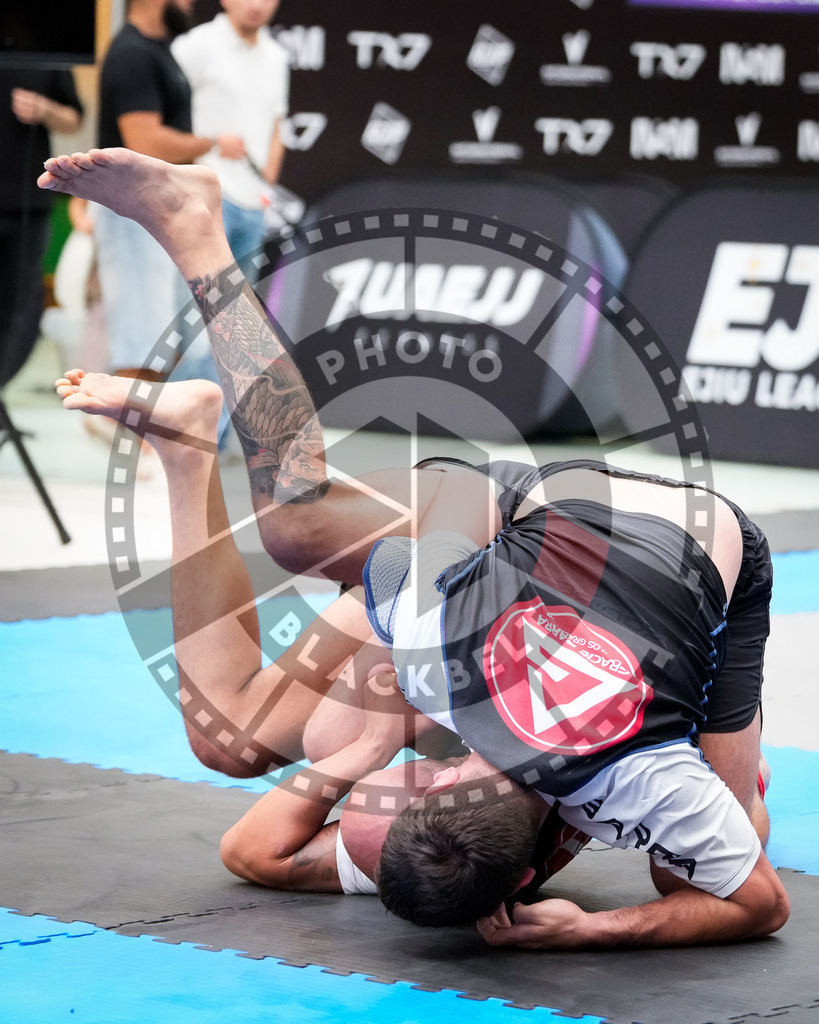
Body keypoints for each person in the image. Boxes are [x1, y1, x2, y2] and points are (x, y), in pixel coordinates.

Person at [39, 147, 788, 949]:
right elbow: (759, 900)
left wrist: (375, 690)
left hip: (564, 560)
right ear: (453, 778)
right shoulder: (637, 781)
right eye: (415, 778)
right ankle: (197, 235)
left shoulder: (471, 699)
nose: (393, 779)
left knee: (230, 737)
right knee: (298, 531)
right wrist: (587, 934)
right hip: (646, 536)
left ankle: (188, 450)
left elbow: (384, 583)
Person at [95, 0, 244, 382]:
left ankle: (156, 438)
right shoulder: (131, 54)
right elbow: (143, 141)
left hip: (157, 213)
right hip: (133, 216)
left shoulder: (161, 50)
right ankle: (132, 439)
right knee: (141, 339)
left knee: (171, 339)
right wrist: (210, 143)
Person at [171, 0, 289, 268]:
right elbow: (167, 115)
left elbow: (277, 124)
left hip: (254, 205)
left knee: (237, 309)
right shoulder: (194, 46)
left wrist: (267, 179)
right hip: (206, 197)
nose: (258, 4)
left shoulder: (277, 57)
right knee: (190, 304)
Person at [0, 68, 83, 386]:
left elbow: (74, 118)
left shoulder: (45, 51)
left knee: (18, 309)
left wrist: (45, 110)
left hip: (27, 202)